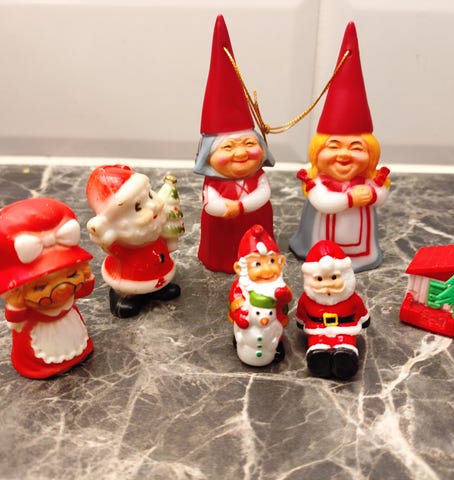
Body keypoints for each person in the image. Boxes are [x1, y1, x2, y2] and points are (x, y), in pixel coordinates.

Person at [290, 22, 390, 272]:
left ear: (370, 154)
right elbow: (322, 202)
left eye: (356, 148)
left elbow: (381, 196)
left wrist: (373, 195)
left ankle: (364, 258)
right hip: (323, 243)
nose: (344, 155)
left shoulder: (369, 179)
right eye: (333, 146)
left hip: (362, 244)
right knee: (323, 251)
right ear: (317, 153)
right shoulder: (317, 182)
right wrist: (350, 198)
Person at [194, 15, 275, 273]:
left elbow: (263, 194)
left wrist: (241, 206)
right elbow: (210, 204)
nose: (240, 152)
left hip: (257, 230)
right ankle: (220, 260)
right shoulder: (213, 183)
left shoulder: (258, 177)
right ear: (207, 155)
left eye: (248, 143)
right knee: (223, 247)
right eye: (228, 147)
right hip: (223, 229)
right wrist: (223, 208)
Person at [0, 198, 94, 378]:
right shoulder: (21, 302)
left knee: (75, 339)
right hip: (39, 334)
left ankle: (79, 350)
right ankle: (41, 364)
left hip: (70, 324)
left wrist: (86, 276)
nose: (62, 288)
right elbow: (15, 317)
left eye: (71, 275)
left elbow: (84, 290)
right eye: (40, 286)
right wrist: (16, 305)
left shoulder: (70, 292)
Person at [86, 165, 180, 318]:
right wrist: (102, 235)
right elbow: (109, 245)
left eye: (150, 195)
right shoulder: (122, 240)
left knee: (161, 281)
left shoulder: (154, 228)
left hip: (160, 268)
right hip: (130, 277)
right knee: (130, 291)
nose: (152, 206)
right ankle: (128, 297)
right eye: (138, 207)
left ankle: (159, 289)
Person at [296, 240, 370, 379]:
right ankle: (319, 360)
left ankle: (345, 358)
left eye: (334, 277)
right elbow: (301, 313)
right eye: (319, 279)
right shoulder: (307, 299)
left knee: (345, 342)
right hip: (317, 329)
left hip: (345, 329)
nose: (328, 285)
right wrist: (300, 321)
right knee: (318, 343)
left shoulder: (351, 299)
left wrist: (365, 319)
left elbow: (360, 310)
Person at [229, 224, 292, 366]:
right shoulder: (241, 286)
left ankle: (277, 345)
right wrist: (240, 314)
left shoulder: (278, 285)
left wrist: (282, 297)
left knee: (275, 332)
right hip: (248, 323)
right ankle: (240, 343)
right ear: (240, 268)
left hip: (273, 324)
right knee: (243, 331)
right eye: (257, 264)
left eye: (271, 261)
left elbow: (286, 300)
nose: (267, 270)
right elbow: (236, 300)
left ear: (281, 261)